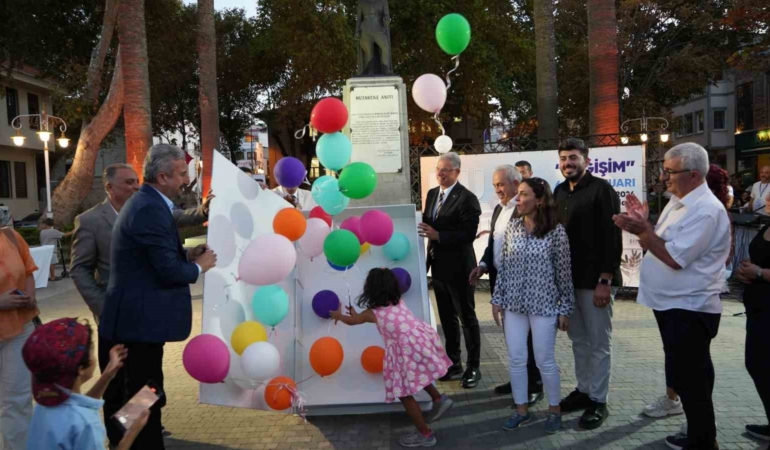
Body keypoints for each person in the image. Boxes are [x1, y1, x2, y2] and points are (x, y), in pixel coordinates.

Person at [70, 163, 212, 446]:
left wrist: (188, 252)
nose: (135, 186)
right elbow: (79, 269)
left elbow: (156, 252)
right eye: (127, 182)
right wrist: (103, 307)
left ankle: (138, 431)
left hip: (144, 319)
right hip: (117, 317)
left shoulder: (145, 208)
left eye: (136, 180)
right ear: (109, 187)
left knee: (146, 387)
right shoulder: (91, 220)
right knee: (119, 388)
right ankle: (122, 439)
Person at [614, 143, 729, 450]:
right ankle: (699, 431)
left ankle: (702, 440)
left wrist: (642, 230)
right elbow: (662, 242)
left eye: (669, 171)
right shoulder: (679, 202)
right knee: (690, 375)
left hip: (690, 307)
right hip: (673, 304)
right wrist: (644, 223)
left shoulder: (705, 210)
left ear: (693, 175)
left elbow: (675, 258)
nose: (662, 177)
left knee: (692, 379)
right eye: (663, 170)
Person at [331, 268, 454, 448]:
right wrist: (356, 314)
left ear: (371, 289)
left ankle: (425, 434)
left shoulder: (373, 313)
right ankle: (439, 399)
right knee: (418, 374)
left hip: (404, 351)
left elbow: (353, 321)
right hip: (418, 343)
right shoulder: (398, 302)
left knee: (404, 394)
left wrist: (338, 316)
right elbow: (358, 318)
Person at [491, 178, 574, 434]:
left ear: (539, 200)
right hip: (513, 305)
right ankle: (521, 410)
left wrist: (565, 308)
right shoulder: (513, 227)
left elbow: (564, 273)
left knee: (544, 360)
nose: (518, 199)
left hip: (543, 306)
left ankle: (554, 410)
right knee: (516, 359)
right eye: (518, 194)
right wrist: (497, 298)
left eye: (523, 194)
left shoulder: (556, 232)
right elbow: (504, 266)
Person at [554, 138, 622, 430]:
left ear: (586, 161)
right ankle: (583, 390)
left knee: (598, 343)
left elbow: (612, 236)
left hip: (595, 282)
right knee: (578, 341)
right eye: (563, 158)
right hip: (569, 282)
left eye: (573, 157)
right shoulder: (559, 191)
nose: (568, 163)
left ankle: (599, 400)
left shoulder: (602, 189)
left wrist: (605, 280)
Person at [469, 165, 543, 403]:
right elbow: (494, 244)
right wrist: (483, 264)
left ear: (516, 183)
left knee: (528, 336)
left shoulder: (525, 210)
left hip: (523, 284)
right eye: (494, 185)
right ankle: (518, 379)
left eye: (501, 184)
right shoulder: (499, 210)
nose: (498, 190)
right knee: (512, 335)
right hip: (500, 282)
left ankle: (535, 384)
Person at [21, 318, 149, 450]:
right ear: (81, 369)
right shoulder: (85, 424)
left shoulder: (44, 405)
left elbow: (79, 405)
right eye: (92, 351)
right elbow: (80, 413)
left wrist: (107, 374)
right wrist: (130, 434)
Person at [419, 152, 482, 388]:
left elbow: (468, 233)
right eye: (438, 169)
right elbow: (427, 224)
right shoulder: (432, 194)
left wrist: (440, 235)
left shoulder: (468, 198)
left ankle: (473, 367)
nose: (440, 173)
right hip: (438, 269)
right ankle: (453, 363)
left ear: (457, 172)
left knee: (467, 318)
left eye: (445, 169)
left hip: (460, 268)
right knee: (447, 319)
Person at [0, 209, 39, 450]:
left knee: (17, 401)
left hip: (19, 329)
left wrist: (30, 295)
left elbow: (28, 272)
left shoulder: (11, 237)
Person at [732, 194, 770, 443]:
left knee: (762, 365)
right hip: (758, 308)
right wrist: (746, 271)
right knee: (757, 364)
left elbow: (762, 268)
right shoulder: (767, 224)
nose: (768, 197)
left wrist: (760, 272)